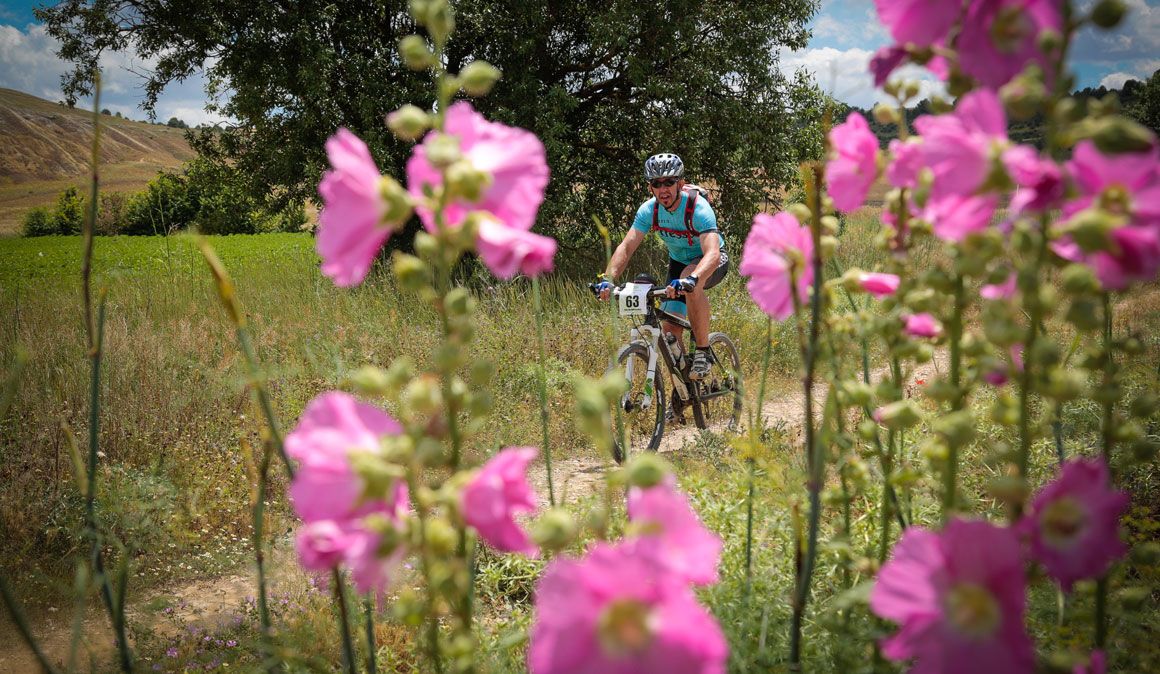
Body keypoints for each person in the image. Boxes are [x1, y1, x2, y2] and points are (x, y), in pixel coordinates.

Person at [595, 152, 729, 380]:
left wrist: (694, 279)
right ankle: (683, 393)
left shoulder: (698, 208)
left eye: (669, 182)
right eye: (657, 184)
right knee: (670, 332)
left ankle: (703, 351)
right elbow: (627, 247)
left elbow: (713, 253)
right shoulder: (649, 210)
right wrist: (607, 279)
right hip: (678, 264)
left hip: (711, 261)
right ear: (650, 188)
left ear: (681, 184)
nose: (663, 189)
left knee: (690, 279)